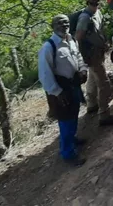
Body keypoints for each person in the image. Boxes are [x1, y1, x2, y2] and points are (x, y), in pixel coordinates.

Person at [38, 15, 88, 166]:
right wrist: (57, 92)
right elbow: (44, 74)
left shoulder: (71, 40)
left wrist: (83, 69)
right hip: (61, 89)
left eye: (65, 22)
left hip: (74, 84)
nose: (63, 25)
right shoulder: (49, 47)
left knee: (74, 113)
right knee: (66, 120)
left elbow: (78, 56)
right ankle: (68, 153)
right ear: (53, 26)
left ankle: (72, 139)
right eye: (59, 23)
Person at [75, 0, 113, 127]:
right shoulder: (85, 17)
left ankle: (91, 104)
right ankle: (104, 114)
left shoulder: (97, 12)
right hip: (92, 54)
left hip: (98, 53)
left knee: (92, 77)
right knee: (104, 84)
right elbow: (78, 37)